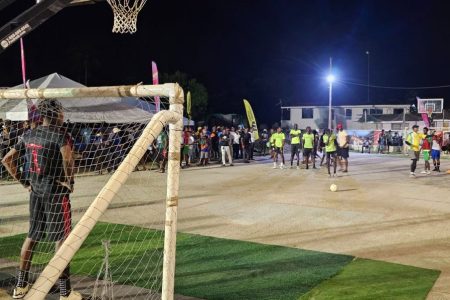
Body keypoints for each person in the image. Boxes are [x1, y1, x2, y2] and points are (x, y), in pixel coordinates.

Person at [1, 99, 82, 299]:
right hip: (55, 194)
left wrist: (25, 183)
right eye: (61, 112)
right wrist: (69, 181)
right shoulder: (60, 135)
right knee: (62, 240)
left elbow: (7, 160)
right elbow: (68, 158)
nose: (63, 116)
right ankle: (65, 292)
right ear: (55, 115)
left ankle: (21, 286)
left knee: (32, 237)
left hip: (36, 193)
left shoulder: (28, 134)